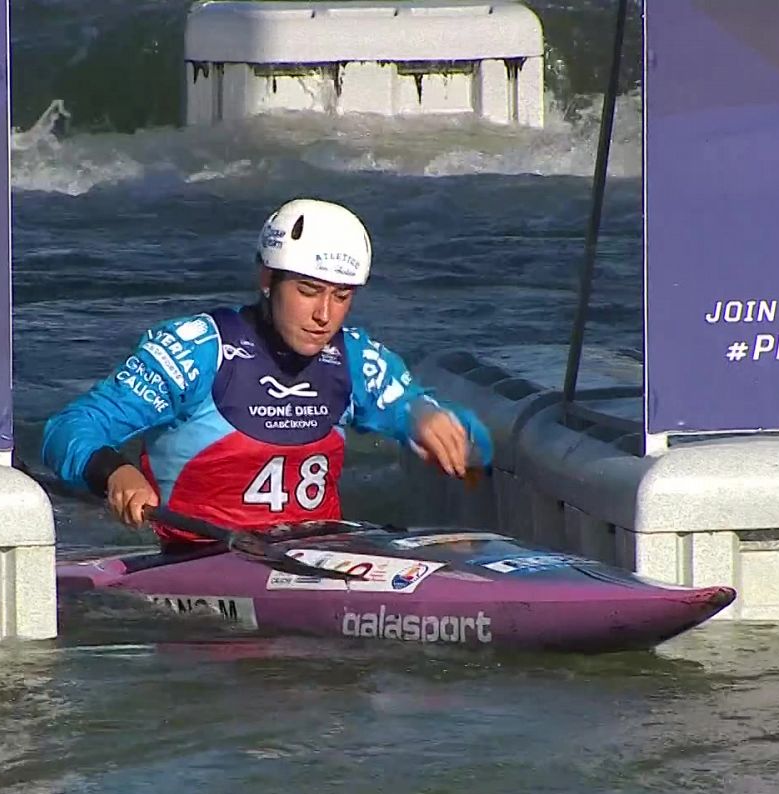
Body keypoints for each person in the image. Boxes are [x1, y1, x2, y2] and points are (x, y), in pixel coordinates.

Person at [40, 197, 493, 546]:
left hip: (318, 559)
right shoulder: (194, 352)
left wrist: (436, 423)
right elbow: (67, 429)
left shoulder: (355, 359)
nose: (324, 315)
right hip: (199, 557)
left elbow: (476, 444)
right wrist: (115, 473)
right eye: (309, 291)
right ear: (267, 279)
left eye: (342, 296)